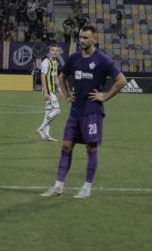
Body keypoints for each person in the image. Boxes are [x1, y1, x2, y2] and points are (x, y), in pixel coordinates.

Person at [41, 26, 126, 199]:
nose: (82, 40)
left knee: (91, 148)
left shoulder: (102, 59)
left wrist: (105, 96)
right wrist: (65, 94)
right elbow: (61, 77)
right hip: (75, 111)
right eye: (80, 37)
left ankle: (87, 187)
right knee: (66, 146)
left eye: (86, 38)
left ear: (94, 39)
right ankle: (58, 186)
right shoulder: (74, 58)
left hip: (92, 111)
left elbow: (121, 80)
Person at [36, 45, 62, 141]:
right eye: (53, 50)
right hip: (49, 91)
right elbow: (43, 76)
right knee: (57, 110)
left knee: (48, 112)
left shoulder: (55, 63)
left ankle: (46, 135)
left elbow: (55, 77)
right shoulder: (46, 62)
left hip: (52, 91)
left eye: (56, 50)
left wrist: (59, 90)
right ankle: (40, 128)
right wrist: (46, 92)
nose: (55, 52)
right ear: (49, 51)